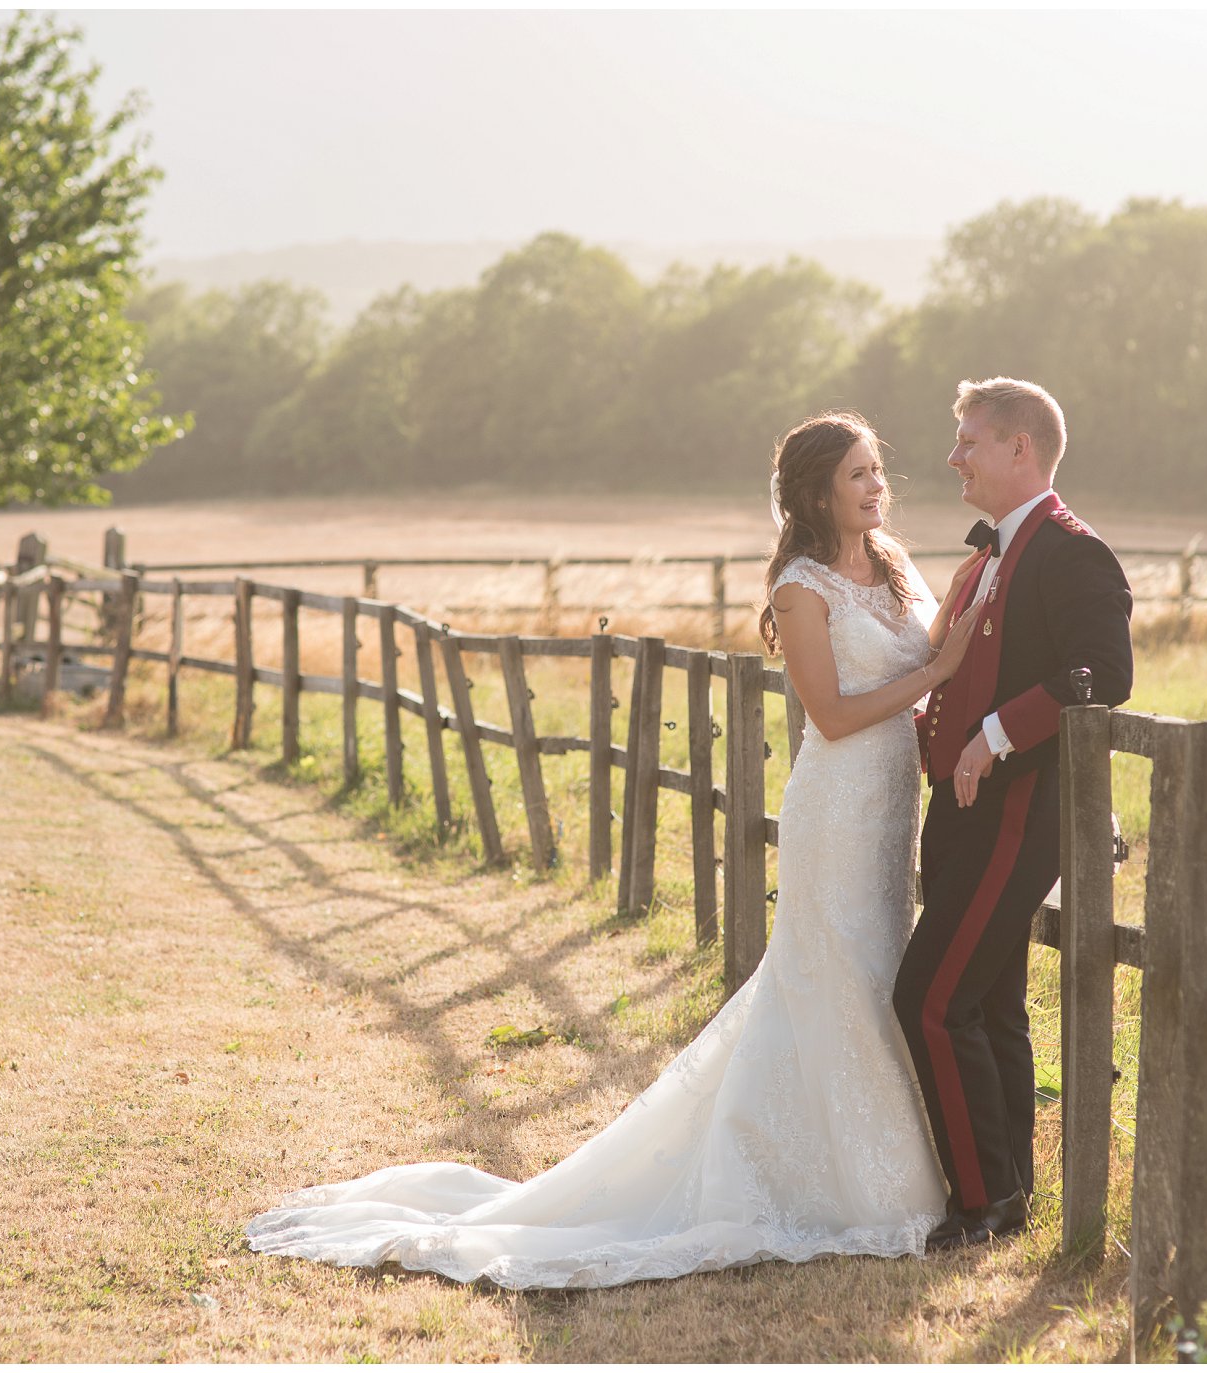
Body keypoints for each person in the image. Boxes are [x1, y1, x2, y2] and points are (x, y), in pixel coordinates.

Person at [246, 412, 979, 1289]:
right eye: (857, 475)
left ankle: (888, 1165)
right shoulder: (802, 583)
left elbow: (935, 647)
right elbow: (831, 712)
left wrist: (975, 600)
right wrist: (934, 676)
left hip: (892, 806)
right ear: (818, 490)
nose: (875, 487)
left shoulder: (894, 563)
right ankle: (846, 1182)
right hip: (836, 805)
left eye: (876, 472)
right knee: (837, 974)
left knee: (882, 972)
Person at [895, 378, 1134, 1251]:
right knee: (988, 1004)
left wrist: (993, 736)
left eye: (969, 441)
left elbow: (1102, 673)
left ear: (1019, 449)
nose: (954, 457)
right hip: (960, 815)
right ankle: (1013, 1190)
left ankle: (982, 1203)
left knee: (927, 996)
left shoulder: (1073, 553)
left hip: (1015, 812)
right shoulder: (988, 554)